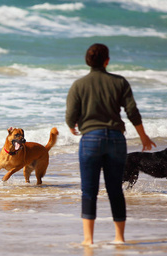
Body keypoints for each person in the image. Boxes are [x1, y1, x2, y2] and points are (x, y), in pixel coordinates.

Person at [66, 43, 156, 245]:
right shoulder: (119, 82)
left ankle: (88, 240)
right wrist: (143, 136)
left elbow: (70, 116)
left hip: (90, 140)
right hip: (116, 139)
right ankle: (119, 238)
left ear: (87, 61)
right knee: (115, 189)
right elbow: (132, 111)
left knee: (89, 191)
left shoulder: (79, 85)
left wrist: (72, 126)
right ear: (107, 61)